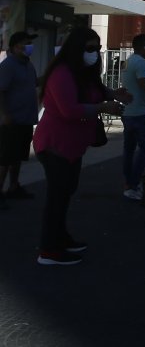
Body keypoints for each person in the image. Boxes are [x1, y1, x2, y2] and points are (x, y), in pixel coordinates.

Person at [33, 27, 131, 265]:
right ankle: (49, 249)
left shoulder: (83, 72)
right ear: (76, 48)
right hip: (55, 144)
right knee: (57, 197)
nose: (95, 53)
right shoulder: (61, 73)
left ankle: (60, 238)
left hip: (71, 146)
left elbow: (96, 91)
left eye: (97, 49)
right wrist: (103, 108)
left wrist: (113, 94)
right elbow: (69, 109)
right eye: (90, 49)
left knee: (65, 194)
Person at [0, 32, 40, 208]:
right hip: (11, 120)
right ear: (15, 47)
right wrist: (4, 114)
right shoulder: (8, 65)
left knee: (17, 156)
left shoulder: (28, 65)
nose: (29, 46)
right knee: (5, 158)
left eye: (30, 43)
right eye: (25, 44)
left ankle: (13, 186)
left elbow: (33, 83)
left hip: (25, 118)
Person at [121, 34, 145, 201]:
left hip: (128, 112)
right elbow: (144, 84)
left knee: (129, 150)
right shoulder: (141, 63)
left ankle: (129, 183)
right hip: (139, 113)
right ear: (144, 46)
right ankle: (133, 183)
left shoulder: (129, 61)